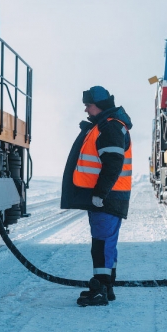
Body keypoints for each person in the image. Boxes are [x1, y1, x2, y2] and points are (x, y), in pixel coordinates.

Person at [60, 86, 133, 307]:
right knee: (106, 242)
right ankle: (106, 287)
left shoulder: (109, 127)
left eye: (88, 105)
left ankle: (100, 289)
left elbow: (113, 164)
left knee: (101, 243)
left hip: (107, 197)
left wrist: (100, 194)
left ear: (99, 105)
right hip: (111, 195)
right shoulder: (105, 126)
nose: (85, 109)